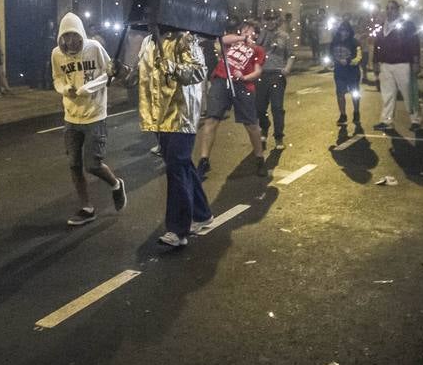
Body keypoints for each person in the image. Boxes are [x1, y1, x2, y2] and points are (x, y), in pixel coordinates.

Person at [132, 20, 212, 248]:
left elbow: (198, 71)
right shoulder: (148, 42)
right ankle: (202, 213)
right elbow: (141, 74)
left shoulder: (184, 38)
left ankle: (178, 229)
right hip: (158, 116)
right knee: (182, 164)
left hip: (181, 115)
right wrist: (120, 72)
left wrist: (174, 68)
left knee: (176, 167)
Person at [51, 12, 127, 226]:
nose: (70, 42)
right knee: (74, 164)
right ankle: (86, 207)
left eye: (74, 36)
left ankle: (115, 184)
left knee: (92, 164)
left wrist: (87, 88)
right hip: (71, 116)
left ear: (80, 35)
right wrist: (66, 89)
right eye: (66, 38)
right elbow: (57, 78)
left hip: (94, 114)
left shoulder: (93, 48)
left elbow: (108, 72)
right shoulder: (57, 54)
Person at [195, 19, 267, 179]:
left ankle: (259, 157)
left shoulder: (258, 50)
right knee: (211, 120)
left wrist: (244, 76)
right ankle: (204, 160)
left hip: (243, 86)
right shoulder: (233, 41)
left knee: (251, 124)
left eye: (251, 30)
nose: (247, 32)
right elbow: (221, 40)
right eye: (245, 29)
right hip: (221, 79)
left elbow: (257, 71)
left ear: (256, 34)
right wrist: (241, 38)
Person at [373, 1, 422, 131]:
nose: (390, 11)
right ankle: (386, 120)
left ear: (398, 10)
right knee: (387, 94)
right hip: (385, 65)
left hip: (403, 64)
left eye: (393, 8)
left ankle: (415, 120)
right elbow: (377, 45)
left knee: (408, 94)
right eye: (387, 8)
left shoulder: (407, 25)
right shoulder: (382, 26)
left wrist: (416, 62)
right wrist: (375, 62)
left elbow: (414, 44)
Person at [255, 13, 294, 150]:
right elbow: (253, 51)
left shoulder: (284, 36)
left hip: (277, 75)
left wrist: (287, 68)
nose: (270, 22)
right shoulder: (259, 35)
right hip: (261, 75)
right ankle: (264, 127)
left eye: (273, 18)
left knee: (277, 108)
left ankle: (278, 137)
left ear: (278, 20)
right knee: (259, 108)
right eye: (268, 19)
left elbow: (291, 54)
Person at [329, 20, 364, 136]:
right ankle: (343, 115)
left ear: (349, 31)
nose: (344, 33)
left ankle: (356, 112)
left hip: (352, 73)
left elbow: (359, 57)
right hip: (339, 72)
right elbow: (330, 53)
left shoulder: (355, 43)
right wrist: (332, 61)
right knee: (340, 93)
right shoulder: (335, 41)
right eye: (342, 30)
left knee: (355, 93)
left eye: (346, 30)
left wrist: (348, 61)